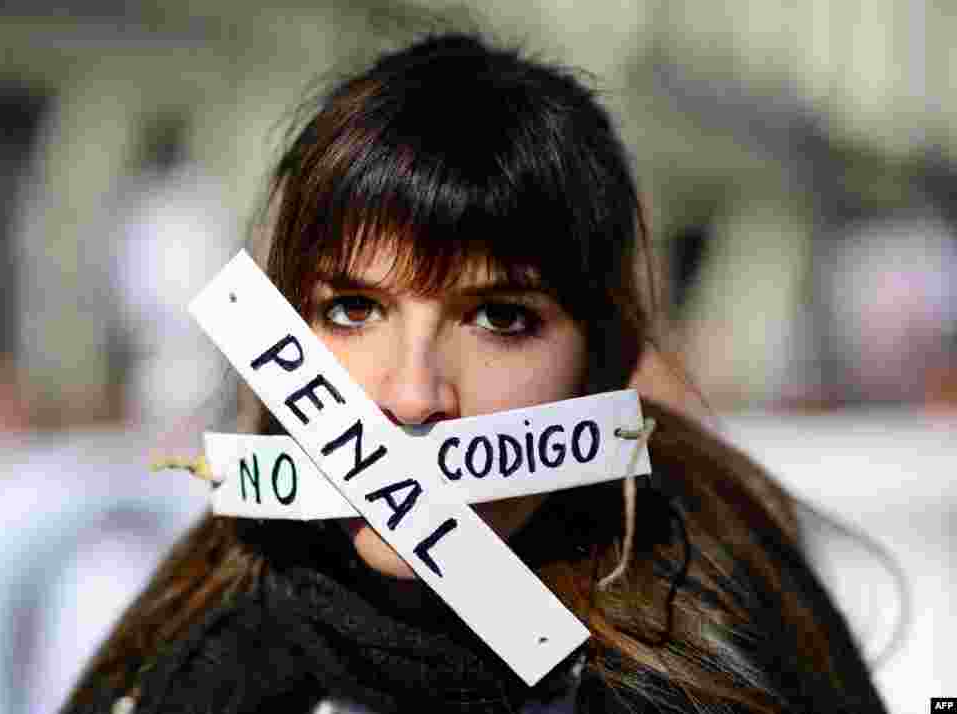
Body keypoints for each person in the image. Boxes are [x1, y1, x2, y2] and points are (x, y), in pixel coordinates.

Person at [62, 33, 887, 714]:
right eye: (352, 309)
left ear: (602, 363)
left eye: (501, 319)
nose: (413, 397)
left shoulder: (726, 656)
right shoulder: (181, 652)